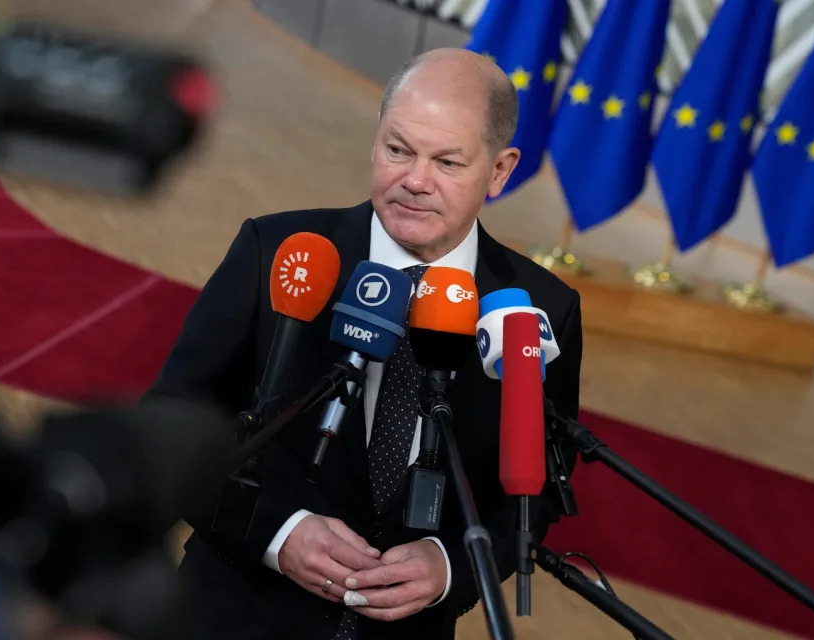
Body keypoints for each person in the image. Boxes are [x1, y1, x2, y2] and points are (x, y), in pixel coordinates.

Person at [148, 48, 583, 640]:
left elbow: (535, 495)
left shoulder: (539, 308)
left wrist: (450, 566)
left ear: (501, 171)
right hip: (233, 616)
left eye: (448, 162)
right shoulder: (277, 251)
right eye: (397, 149)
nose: (414, 181)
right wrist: (277, 532)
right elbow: (170, 426)